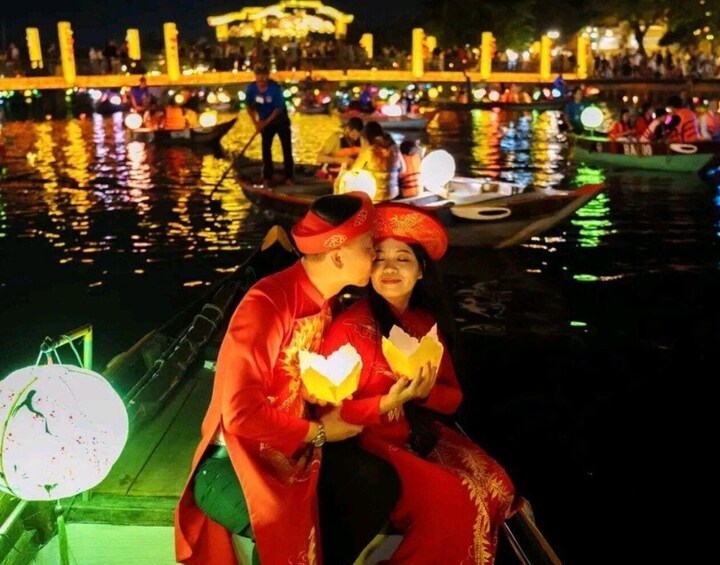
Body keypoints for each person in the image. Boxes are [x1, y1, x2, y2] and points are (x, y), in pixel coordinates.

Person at [175, 192, 400, 565]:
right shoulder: (267, 303)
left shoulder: (329, 302)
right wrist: (320, 433)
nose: (375, 253)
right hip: (230, 463)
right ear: (338, 255)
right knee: (289, 522)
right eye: (369, 246)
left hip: (292, 454)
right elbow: (240, 415)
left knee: (378, 483)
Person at [320, 203, 518, 564]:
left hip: (417, 434)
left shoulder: (425, 323)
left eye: (403, 259)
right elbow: (331, 410)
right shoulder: (350, 327)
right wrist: (388, 400)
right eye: (379, 258)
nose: (390, 268)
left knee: (495, 481)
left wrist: (423, 393)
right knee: (455, 499)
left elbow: (452, 399)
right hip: (369, 444)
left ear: (421, 270)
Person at [245, 66, 294, 185]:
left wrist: (265, 122)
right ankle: (267, 176)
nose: (261, 78)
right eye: (259, 75)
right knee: (266, 148)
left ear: (267, 76)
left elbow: (278, 109)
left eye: (264, 75)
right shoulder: (251, 89)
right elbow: (249, 107)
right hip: (263, 120)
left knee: (286, 148)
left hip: (280, 120)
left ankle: (289, 176)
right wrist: (256, 123)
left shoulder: (275, 88)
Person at [349, 121, 401, 202]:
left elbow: (354, 171)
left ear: (366, 136)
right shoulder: (395, 148)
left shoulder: (369, 150)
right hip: (393, 194)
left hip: (375, 196)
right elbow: (403, 169)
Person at [316, 116, 365, 181]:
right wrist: (340, 160)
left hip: (353, 174)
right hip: (335, 174)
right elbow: (320, 158)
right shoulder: (335, 139)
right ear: (347, 129)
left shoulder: (362, 140)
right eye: (353, 135)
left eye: (357, 136)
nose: (355, 139)